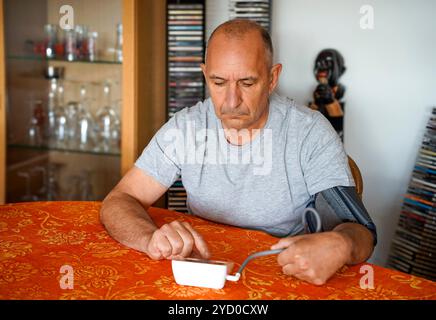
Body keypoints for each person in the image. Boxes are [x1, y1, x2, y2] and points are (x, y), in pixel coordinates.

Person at [100, 19, 377, 286]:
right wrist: (150, 239)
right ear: (205, 75)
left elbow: (360, 231)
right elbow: (120, 199)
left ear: (272, 78)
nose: (231, 102)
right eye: (219, 83)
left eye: (247, 83)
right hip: (202, 275)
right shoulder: (187, 127)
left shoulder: (309, 133)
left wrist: (341, 243)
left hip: (280, 275)